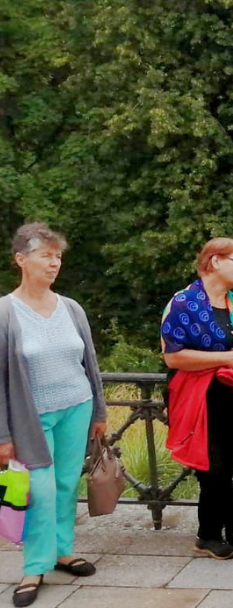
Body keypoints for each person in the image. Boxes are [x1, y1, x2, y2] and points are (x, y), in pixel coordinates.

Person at [0, 223, 108, 607]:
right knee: (39, 492)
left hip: (76, 407)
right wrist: (2, 435)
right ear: (20, 259)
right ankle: (35, 566)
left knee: (65, 486)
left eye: (57, 256)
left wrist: (98, 409)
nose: (54, 263)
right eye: (45, 255)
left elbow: (89, 363)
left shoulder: (71, 308)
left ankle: (62, 552)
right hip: (30, 418)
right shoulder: (5, 313)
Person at [161, 238, 233, 560]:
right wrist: (224, 360)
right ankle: (212, 530)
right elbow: (173, 358)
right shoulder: (182, 302)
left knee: (224, 465)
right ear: (215, 261)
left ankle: (219, 526)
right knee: (211, 467)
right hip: (197, 395)